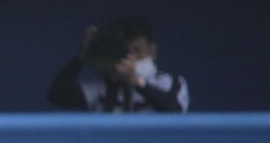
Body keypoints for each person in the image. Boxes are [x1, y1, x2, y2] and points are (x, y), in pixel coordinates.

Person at [46, 14, 189, 113]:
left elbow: (176, 108)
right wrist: (83, 56)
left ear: (152, 51)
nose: (131, 57)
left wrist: (136, 82)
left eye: (137, 50)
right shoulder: (103, 86)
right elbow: (58, 95)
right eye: (127, 51)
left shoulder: (170, 82)